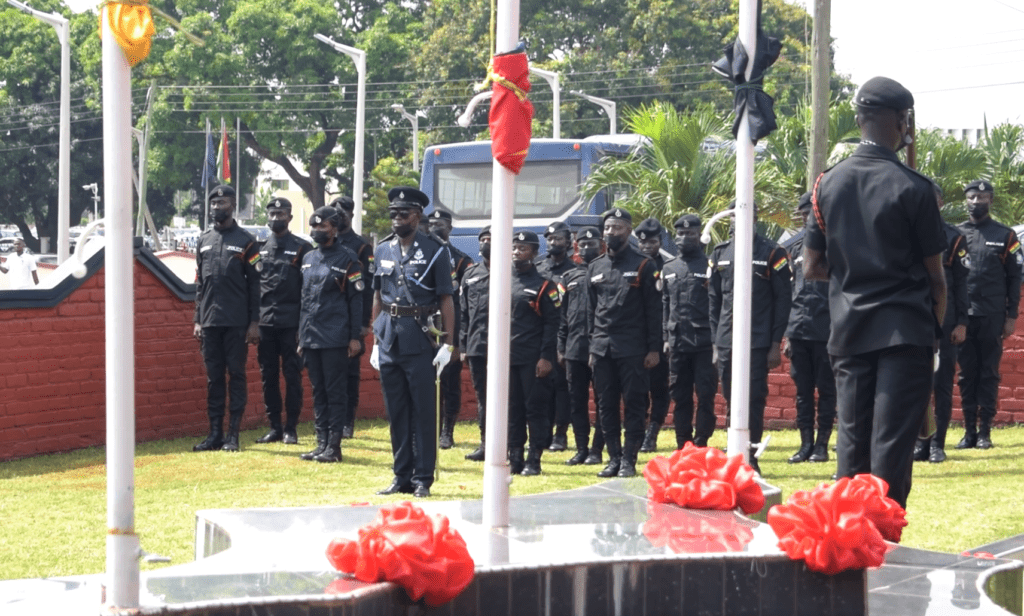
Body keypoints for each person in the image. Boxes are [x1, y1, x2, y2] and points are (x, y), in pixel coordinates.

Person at [804, 76, 947, 509]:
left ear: (859, 118)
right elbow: (936, 280)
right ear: (903, 123)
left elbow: (812, 267)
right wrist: (933, 335)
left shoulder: (826, 184)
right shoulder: (915, 188)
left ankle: (846, 545)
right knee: (890, 453)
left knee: (851, 448)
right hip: (905, 335)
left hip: (848, 332)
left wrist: (855, 274)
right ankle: (884, 552)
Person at [370, 187, 455, 498]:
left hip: (420, 338)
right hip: (390, 338)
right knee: (397, 412)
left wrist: (448, 343)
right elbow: (378, 296)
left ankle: (423, 478)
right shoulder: (382, 250)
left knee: (423, 412)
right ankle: (401, 475)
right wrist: (376, 340)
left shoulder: (435, 250)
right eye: (393, 213)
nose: (396, 218)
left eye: (403, 213)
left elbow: (446, 299)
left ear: (417, 217)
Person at [709, 203, 792, 475]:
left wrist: (774, 344)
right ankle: (734, 451)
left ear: (754, 219)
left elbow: (782, 300)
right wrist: (715, 342)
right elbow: (714, 301)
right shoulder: (720, 253)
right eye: (732, 217)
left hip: (757, 342)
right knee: (731, 397)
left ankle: (751, 454)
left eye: (743, 216)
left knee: (754, 397)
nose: (736, 222)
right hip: (727, 339)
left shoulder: (772, 252)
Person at [587, 207, 662, 478]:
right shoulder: (595, 267)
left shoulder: (644, 264)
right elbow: (591, 312)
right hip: (602, 348)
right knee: (605, 405)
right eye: (608, 228)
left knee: (634, 404)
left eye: (617, 227)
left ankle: (629, 459)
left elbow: (654, 311)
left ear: (629, 231)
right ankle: (613, 458)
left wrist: (654, 348)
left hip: (633, 349)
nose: (611, 232)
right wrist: (592, 348)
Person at [192, 185, 261, 452]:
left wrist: (254, 322)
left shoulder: (246, 241)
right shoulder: (204, 240)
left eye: (222, 203)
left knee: (236, 375)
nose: (217, 207)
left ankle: (233, 435)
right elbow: (200, 285)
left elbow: (256, 285)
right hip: (210, 321)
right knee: (214, 378)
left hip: (236, 322)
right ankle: (214, 435)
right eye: (214, 203)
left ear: (233, 205)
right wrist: (198, 319)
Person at [955, 180, 1022, 450]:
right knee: (966, 374)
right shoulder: (956, 234)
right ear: (966, 200)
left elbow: (1015, 278)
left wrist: (1010, 316)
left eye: (982, 197)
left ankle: (985, 433)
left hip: (992, 316)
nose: (976, 201)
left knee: (989, 373)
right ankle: (968, 432)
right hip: (963, 317)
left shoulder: (1006, 236)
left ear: (991, 201)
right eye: (972, 196)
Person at [297, 206, 364, 463]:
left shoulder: (348, 258)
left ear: (334, 229)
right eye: (314, 227)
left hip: (335, 336)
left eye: (322, 227)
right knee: (318, 390)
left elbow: (355, 300)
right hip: (311, 336)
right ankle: (320, 442)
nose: (317, 232)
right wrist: (302, 337)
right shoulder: (308, 258)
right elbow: (304, 299)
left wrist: (355, 336)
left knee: (335, 391)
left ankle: (334, 446)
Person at [915, 184, 969, 463]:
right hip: (913, 321)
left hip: (945, 324)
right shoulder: (906, 233)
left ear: (940, 203)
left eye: (932, 201)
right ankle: (919, 442)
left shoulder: (954, 237)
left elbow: (961, 285)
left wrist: (962, 323)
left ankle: (937, 444)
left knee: (942, 386)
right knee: (914, 385)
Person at [782, 193, 836, 464]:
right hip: (799, 330)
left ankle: (822, 445)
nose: (807, 219)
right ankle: (805, 445)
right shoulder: (794, 249)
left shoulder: (836, 245)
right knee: (803, 392)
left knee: (827, 391)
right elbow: (790, 292)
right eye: (803, 214)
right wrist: (789, 334)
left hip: (828, 331)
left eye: (810, 214)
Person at [255, 197, 312, 445]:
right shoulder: (259, 249)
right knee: (268, 376)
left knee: (292, 376)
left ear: (289, 217)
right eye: (272, 213)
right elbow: (253, 287)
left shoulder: (302, 248)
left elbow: (308, 290)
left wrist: (304, 326)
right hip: (266, 323)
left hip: (292, 324)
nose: (276, 217)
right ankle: (275, 426)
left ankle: (291, 428)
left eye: (281, 213)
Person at [661, 214, 718, 448]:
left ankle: (702, 440)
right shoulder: (669, 268)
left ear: (700, 236)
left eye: (690, 234)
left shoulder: (710, 266)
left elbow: (720, 303)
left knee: (705, 395)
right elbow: (665, 304)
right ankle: (683, 444)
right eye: (681, 234)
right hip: (677, 343)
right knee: (680, 396)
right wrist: (665, 337)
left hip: (705, 343)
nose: (685, 238)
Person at [508, 230, 560, 475]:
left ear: (534, 253)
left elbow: (553, 324)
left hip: (533, 358)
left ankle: (534, 459)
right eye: (515, 248)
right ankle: (515, 457)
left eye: (523, 248)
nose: (517, 252)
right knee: (512, 409)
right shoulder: (501, 280)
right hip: (507, 358)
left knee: (535, 409)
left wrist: (546, 357)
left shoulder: (545, 285)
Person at [328, 196, 375, 439]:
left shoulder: (361, 246)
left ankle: (348, 421)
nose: (340, 215)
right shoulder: (326, 242)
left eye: (345, 211)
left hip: (352, 317)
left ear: (352, 215)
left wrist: (364, 323)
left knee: (350, 372)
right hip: (329, 318)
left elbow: (367, 288)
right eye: (336, 211)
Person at [559, 226, 606, 465]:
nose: (587, 248)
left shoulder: (607, 273)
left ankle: (597, 449)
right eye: (583, 245)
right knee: (576, 401)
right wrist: (560, 347)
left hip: (599, 348)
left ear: (602, 245)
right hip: (574, 348)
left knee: (602, 401)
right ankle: (581, 448)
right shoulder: (569, 277)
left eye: (592, 244)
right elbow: (563, 316)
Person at [428, 209, 473, 449]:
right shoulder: (422, 254)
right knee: (427, 383)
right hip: (424, 329)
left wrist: (457, 340)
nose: (436, 226)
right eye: (432, 222)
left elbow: (464, 305)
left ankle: (448, 432)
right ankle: (430, 430)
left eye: (441, 223)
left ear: (450, 228)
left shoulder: (462, 260)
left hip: (449, 330)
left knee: (449, 383)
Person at [536, 222, 575, 452]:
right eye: (550, 239)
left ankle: (561, 433)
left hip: (566, 335)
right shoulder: (539, 268)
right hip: (541, 334)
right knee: (541, 387)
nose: (553, 243)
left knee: (562, 387)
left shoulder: (575, 270)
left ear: (569, 242)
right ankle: (543, 431)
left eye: (558, 238)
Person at [634, 217, 671, 452]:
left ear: (660, 242)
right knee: (638, 389)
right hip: (637, 338)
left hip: (662, 336)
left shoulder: (669, 267)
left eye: (653, 242)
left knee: (659, 388)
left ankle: (653, 432)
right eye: (643, 243)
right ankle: (640, 429)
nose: (648, 247)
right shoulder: (633, 265)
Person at [461, 227, 491, 461]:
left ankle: (511, 445)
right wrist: (462, 347)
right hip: (477, 345)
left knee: (510, 398)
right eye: (482, 240)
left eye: (490, 239)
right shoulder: (470, 275)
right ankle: (485, 444)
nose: (485, 243)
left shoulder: (514, 272)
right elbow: (463, 315)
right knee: (483, 397)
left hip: (509, 348)